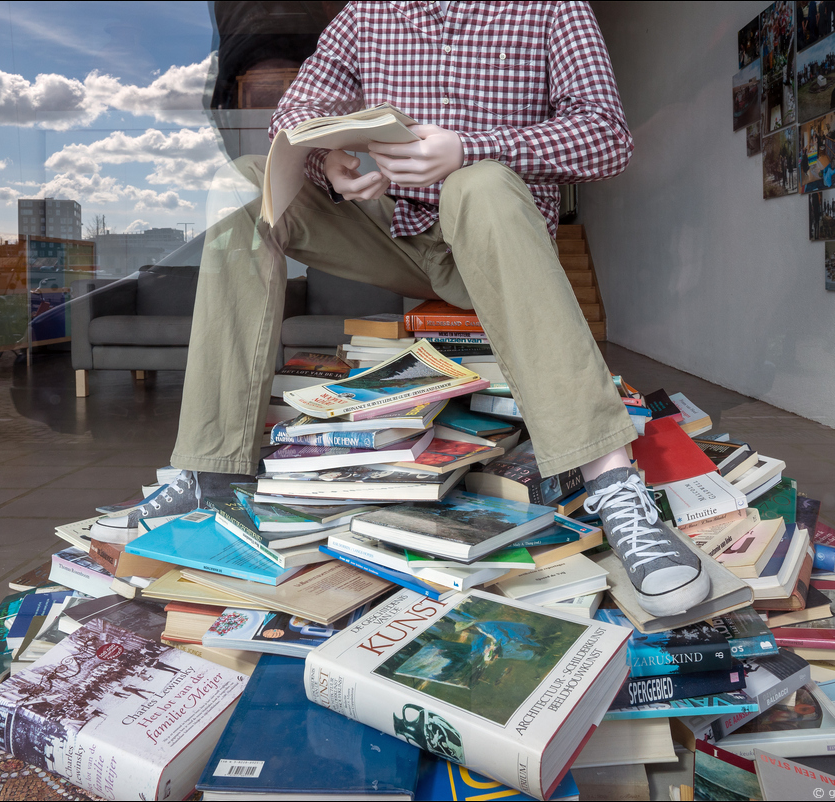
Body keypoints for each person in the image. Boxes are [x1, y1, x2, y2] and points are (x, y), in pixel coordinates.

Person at [93, 2, 710, 617]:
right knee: (247, 186)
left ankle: (612, 481)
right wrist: (325, 158)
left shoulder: (551, 9)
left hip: (489, 242)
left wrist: (470, 148)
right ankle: (212, 471)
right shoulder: (367, 15)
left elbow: (607, 140)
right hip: (392, 233)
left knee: (482, 183)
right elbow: (299, 109)